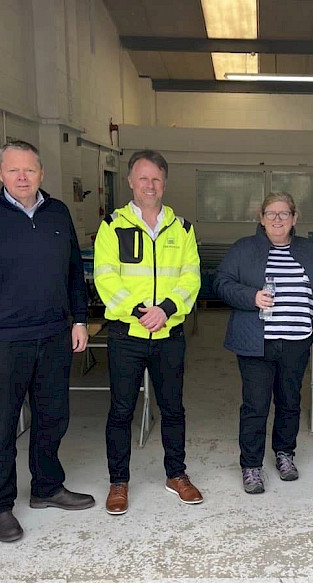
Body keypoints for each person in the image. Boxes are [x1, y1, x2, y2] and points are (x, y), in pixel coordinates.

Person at [0, 140, 94, 543]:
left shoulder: (57, 212)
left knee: (53, 417)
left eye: (29, 169)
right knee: (1, 426)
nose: (22, 177)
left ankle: (46, 487)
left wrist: (80, 319)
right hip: (3, 340)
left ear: (41, 173)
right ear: (0, 174)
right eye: (13, 170)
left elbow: (74, 272)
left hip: (54, 335)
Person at [94, 150, 203, 515]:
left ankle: (177, 475)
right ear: (130, 182)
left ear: (165, 183)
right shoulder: (112, 226)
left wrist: (166, 310)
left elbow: (191, 277)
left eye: (156, 178)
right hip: (127, 334)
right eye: (143, 178)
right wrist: (141, 312)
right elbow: (105, 277)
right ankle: (118, 482)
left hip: (169, 335)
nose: (150, 185)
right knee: (121, 410)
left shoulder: (182, 228)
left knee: (173, 408)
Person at [214, 192, 313, 494]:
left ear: (295, 218)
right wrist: (251, 297)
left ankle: (285, 453)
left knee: (289, 401)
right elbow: (221, 283)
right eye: (271, 213)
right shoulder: (244, 249)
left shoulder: (309, 250)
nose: (277, 219)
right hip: (256, 343)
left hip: (297, 340)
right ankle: (251, 466)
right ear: (261, 218)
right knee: (255, 405)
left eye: (284, 213)